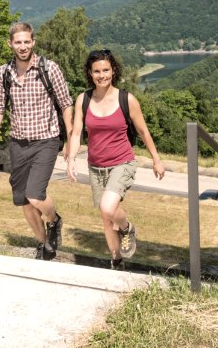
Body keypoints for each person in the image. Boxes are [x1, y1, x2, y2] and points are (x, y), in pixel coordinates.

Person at [0, 22, 73, 261]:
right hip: (18, 143)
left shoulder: (49, 69)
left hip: (46, 140)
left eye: (26, 41)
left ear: (33, 42)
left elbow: (66, 104)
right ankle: (45, 247)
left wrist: (72, 139)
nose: (23, 46)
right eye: (18, 42)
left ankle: (54, 220)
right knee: (24, 202)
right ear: (10, 44)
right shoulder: (3, 73)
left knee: (35, 194)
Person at [67, 49, 165, 270]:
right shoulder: (83, 99)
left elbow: (143, 132)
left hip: (122, 163)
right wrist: (71, 159)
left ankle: (128, 228)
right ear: (90, 74)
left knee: (108, 208)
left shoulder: (126, 99)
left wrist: (156, 160)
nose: (102, 75)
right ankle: (116, 260)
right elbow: (76, 133)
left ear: (113, 71)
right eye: (97, 71)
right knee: (105, 217)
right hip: (96, 167)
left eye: (106, 70)